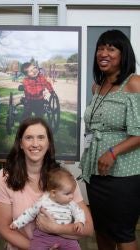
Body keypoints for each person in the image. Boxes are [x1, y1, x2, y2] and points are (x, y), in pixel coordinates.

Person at [0, 117, 93, 250]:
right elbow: (4, 228)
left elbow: (88, 228)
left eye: (41, 137)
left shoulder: (65, 179)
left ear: (48, 143)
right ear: (20, 144)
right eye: (29, 138)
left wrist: (55, 228)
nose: (35, 143)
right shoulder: (3, 179)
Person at [80, 29, 140, 250]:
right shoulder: (98, 86)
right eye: (100, 48)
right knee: (102, 229)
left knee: (122, 233)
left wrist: (113, 151)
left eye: (111, 48)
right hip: (96, 172)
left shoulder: (134, 83)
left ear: (123, 54)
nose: (103, 53)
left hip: (124, 174)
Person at [10, 167, 85, 250]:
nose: (71, 196)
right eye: (67, 194)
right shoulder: (43, 201)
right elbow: (29, 213)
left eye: (72, 193)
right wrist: (17, 223)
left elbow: (79, 212)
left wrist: (80, 222)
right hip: (43, 236)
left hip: (66, 236)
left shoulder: (71, 203)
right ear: (53, 193)